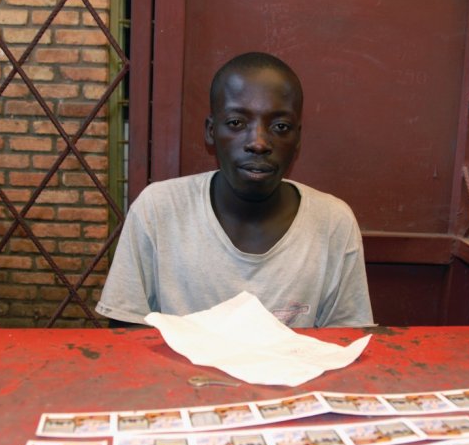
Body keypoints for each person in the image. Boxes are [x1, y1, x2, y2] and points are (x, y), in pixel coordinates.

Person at [96, 52, 373, 328]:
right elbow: (125, 331)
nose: (259, 143)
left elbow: (345, 339)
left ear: (297, 138)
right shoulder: (158, 210)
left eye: (280, 126)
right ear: (211, 131)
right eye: (237, 123)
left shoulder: (332, 222)